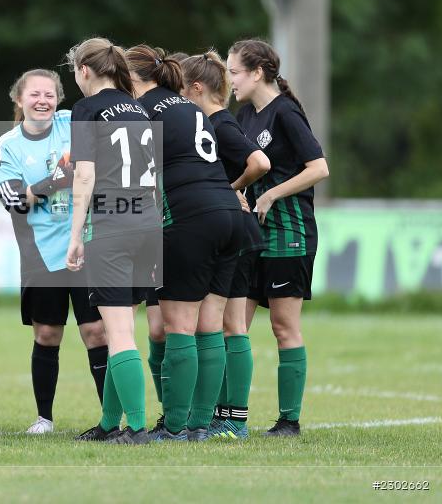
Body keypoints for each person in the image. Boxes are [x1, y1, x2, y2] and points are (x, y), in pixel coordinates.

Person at [126, 44, 242, 441]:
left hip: (189, 217)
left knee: (178, 326)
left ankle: (175, 426)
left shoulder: (143, 110)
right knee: (210, 326)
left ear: (133, 79)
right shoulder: (187, 107)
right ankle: (200, 426)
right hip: (228, 213)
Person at [0, 69, 108, 435]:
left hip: (87, 245)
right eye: (35, 94)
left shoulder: (72, 121)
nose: (43, 101)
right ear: (19, 99)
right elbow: (14, 199)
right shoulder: (7, 145)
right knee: (46, 334)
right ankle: (44, 418)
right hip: (42, 254)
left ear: (59, 98)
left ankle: (111, 417)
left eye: (50, 94)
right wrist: (57, 179)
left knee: (97, 332)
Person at [228, 38, 329, 437]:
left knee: (284, 328)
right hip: (252, 234)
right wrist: (234, 189)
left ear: (257, 73)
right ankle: (228, 417)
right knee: (232, 325)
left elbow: (318, 167)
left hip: (290, 233)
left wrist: (271, 193)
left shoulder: (285, 113)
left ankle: (289, 420)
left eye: (235, 72)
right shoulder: (243, 115)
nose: (230, 80)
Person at [65, 38, 162, 445]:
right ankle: (109, 423)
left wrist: (75, 236)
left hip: (113, 224)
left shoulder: (87, 109)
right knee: (121, 325)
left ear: (84, 70)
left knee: (119, 332)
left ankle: (136, 428)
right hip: (147, 223)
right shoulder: (138, 106)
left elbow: (84, 177)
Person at [181, 50, 271, 439]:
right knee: (222, 324)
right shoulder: (214, 122)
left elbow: (260, 162)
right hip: (233, 229)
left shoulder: (220, 123)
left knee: (231, 326)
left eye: (182, 91)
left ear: (196, 89)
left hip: (237, 230)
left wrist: (232, 189)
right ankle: (224, 415)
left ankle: (235, 418)